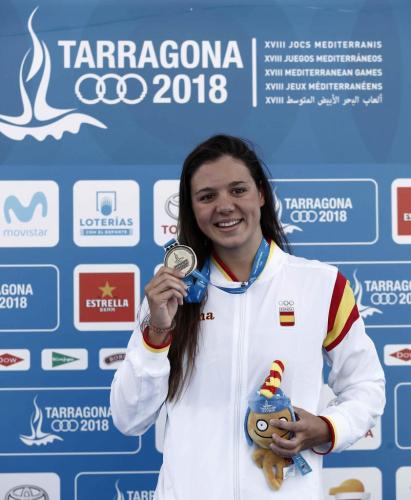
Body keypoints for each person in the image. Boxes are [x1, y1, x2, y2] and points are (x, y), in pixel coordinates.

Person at [110, 134, 385, 500]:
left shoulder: (321, 285)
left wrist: (327, 427)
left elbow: (366, 386)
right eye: (207, 196)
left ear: (261, 195)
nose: (225, 206)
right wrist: (157, 332)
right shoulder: (171, 292)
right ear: (192, 209)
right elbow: (129, 419)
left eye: (237, 190)